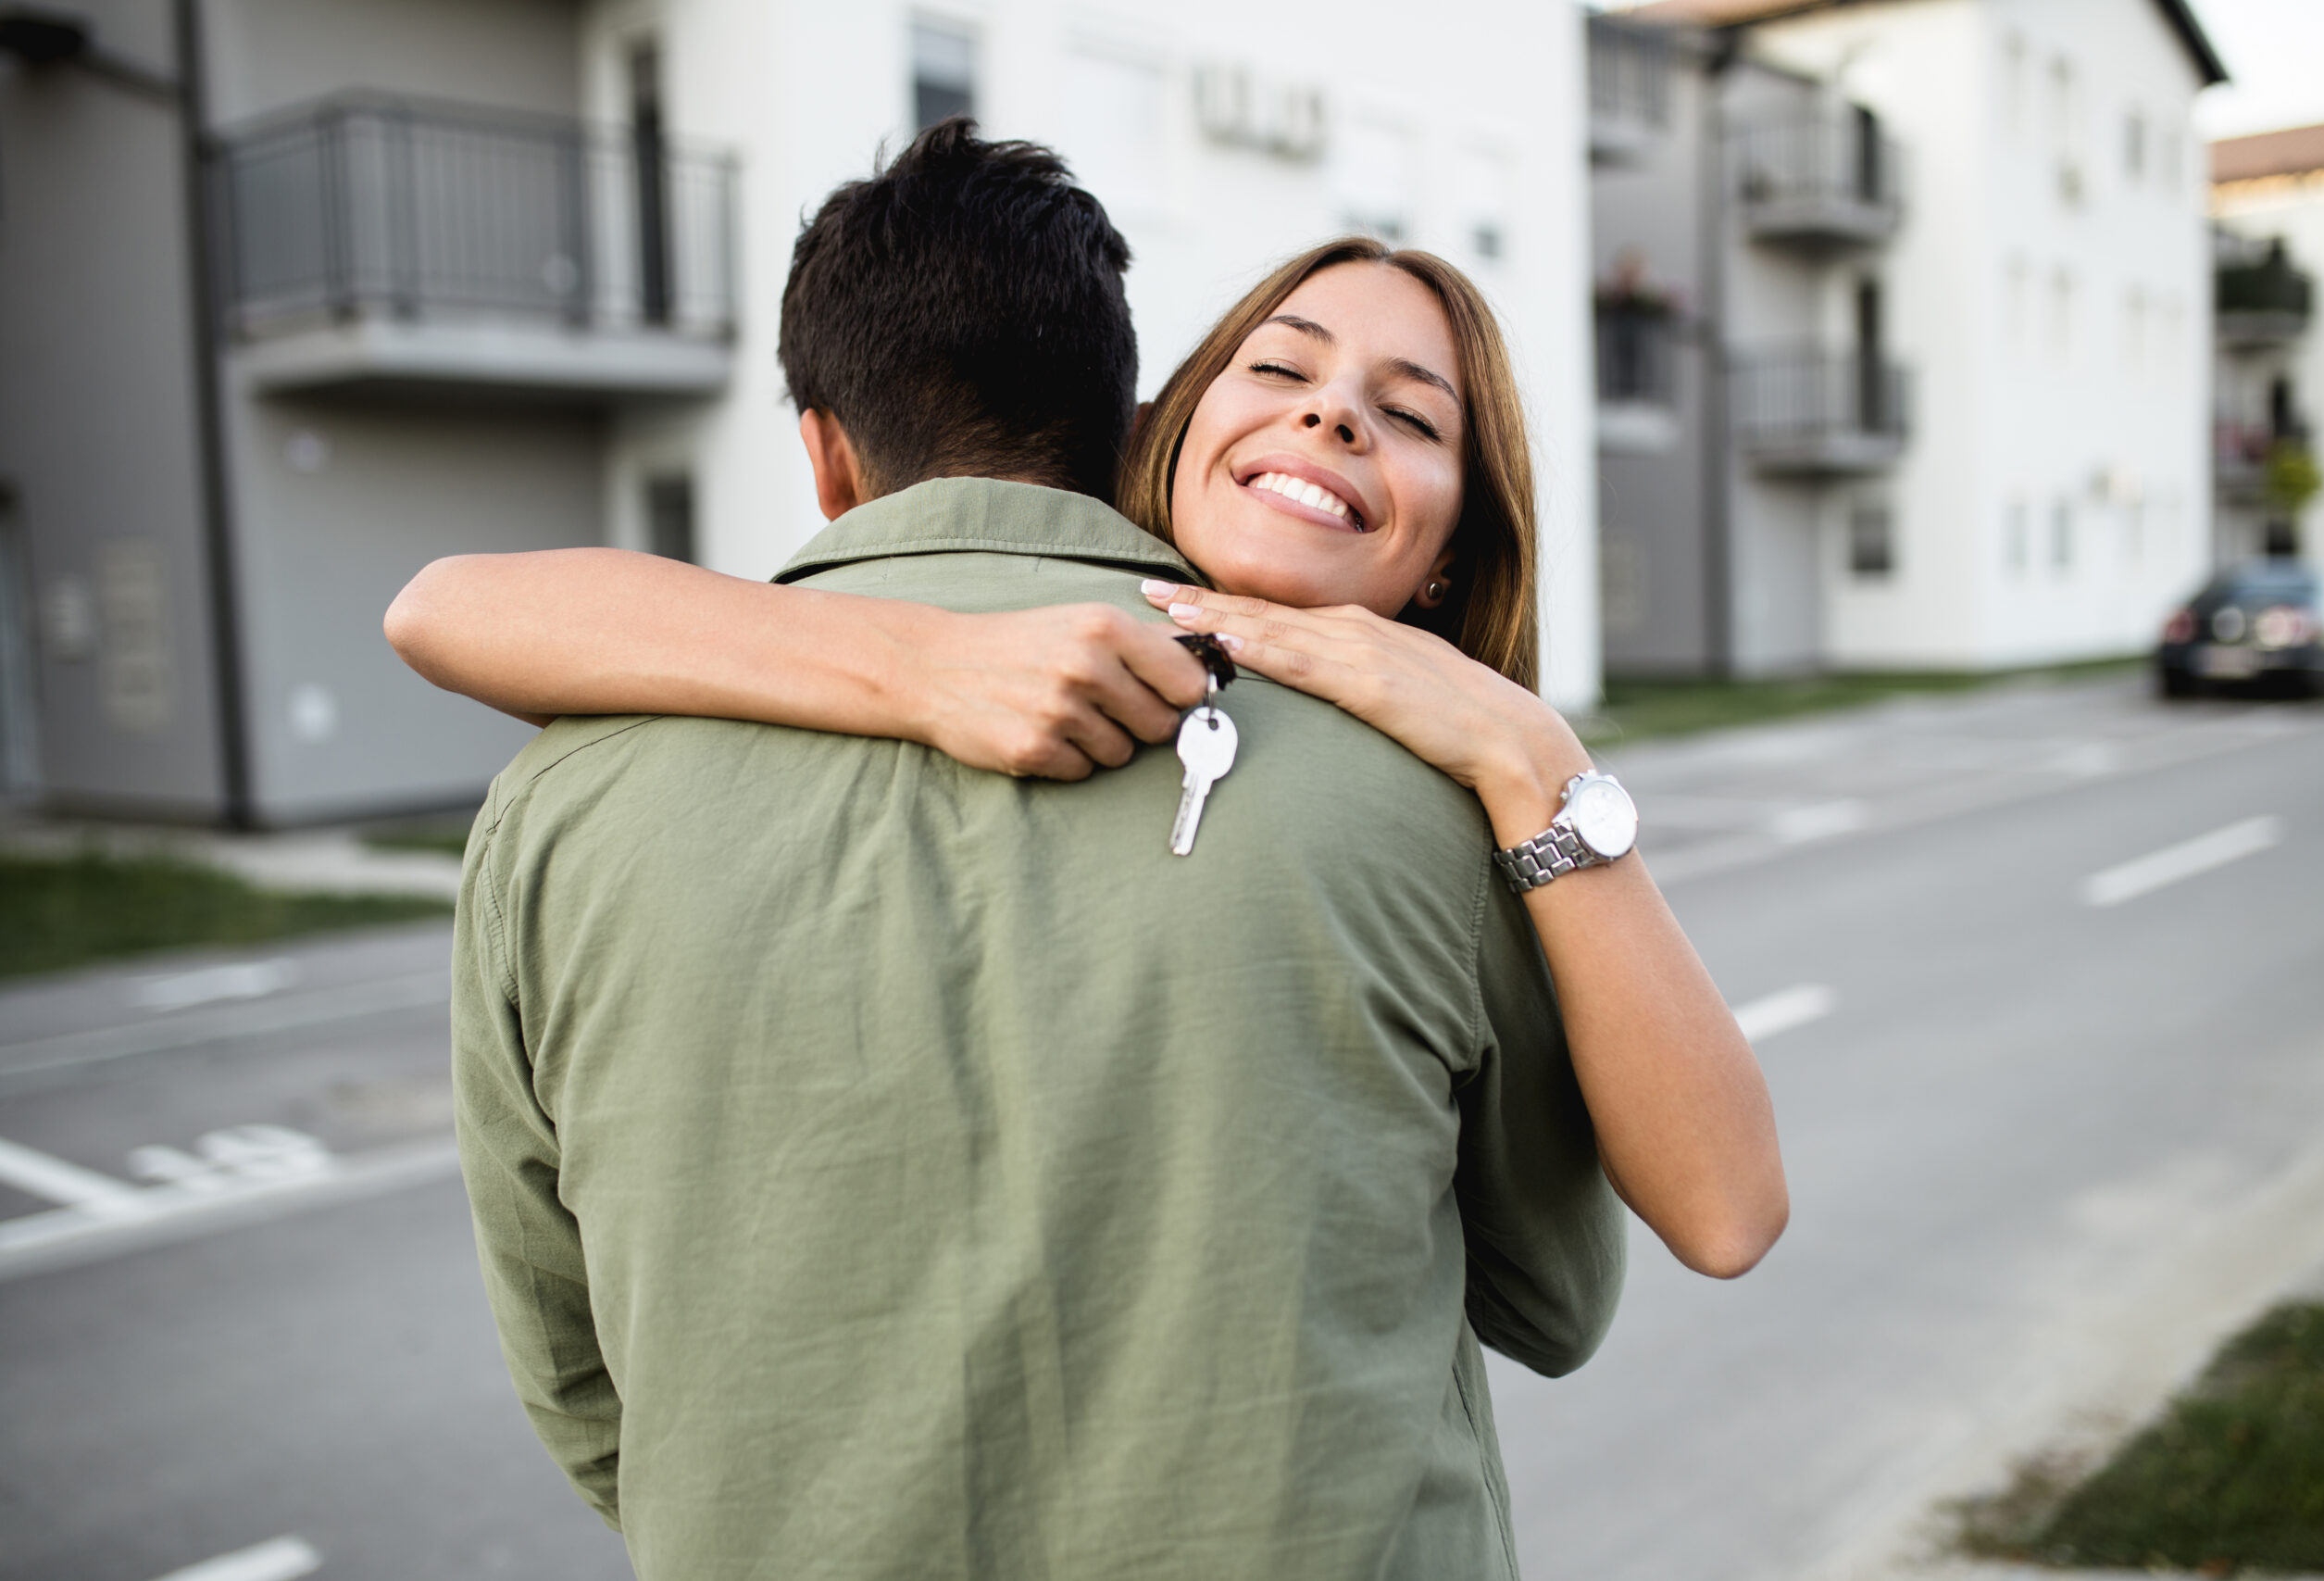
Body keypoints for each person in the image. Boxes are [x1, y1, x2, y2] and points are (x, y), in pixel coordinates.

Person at [412, 120, 1783, 1580]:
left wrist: (1530, 751)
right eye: (1283, 367)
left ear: (825, 457)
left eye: (1413, 415)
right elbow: (1558, 1302)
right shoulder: (1417, 812)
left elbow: (582, 1382)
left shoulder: (560, 797)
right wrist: (924, 673)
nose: (1329, 423)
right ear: (1147, 424)